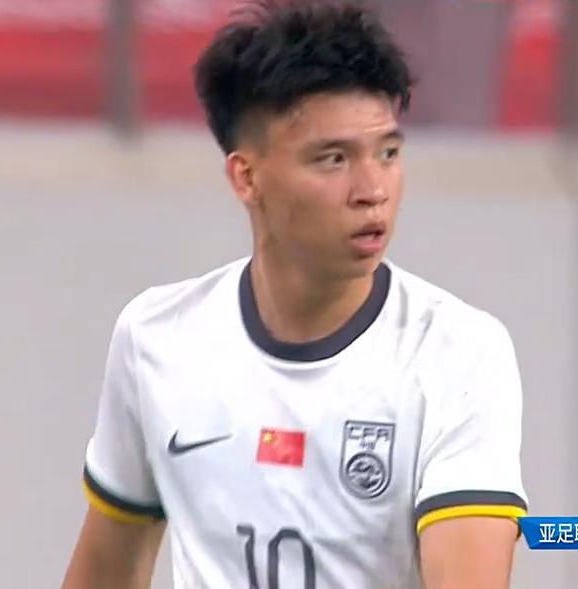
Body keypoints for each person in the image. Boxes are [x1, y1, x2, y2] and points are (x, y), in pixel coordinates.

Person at [61, 1, 528, 587]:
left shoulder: (460, 352)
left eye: (388, 153)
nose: (373, 190)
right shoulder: (155, 338)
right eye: (333, 159)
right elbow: (106, 567)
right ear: (246, 177)